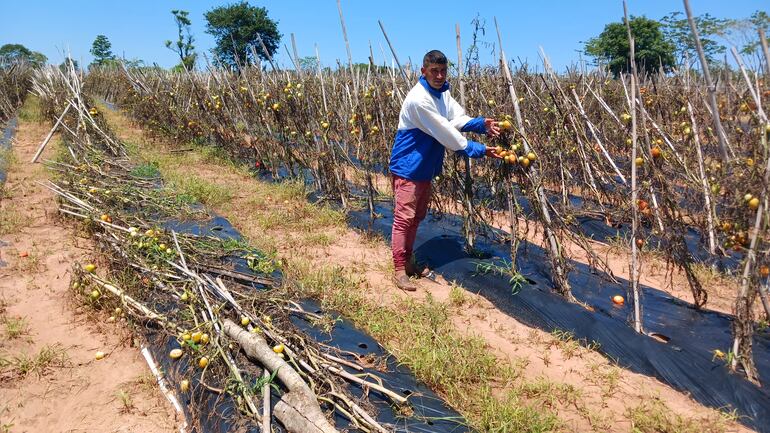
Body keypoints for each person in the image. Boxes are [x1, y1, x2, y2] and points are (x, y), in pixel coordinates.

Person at [388, 49, 500, 291]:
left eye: (443, 71)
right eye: (434, 71)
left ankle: (408, 263)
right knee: (404, 218)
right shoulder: (419, 99)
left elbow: (456, 117)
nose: (439, 75)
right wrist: (477, 149)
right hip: (409, 167)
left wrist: (481, 124)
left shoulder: (441, 94)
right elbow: (445, 131)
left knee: (416, 218)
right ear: (423, 72)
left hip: (424, 166)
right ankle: (399, 269)